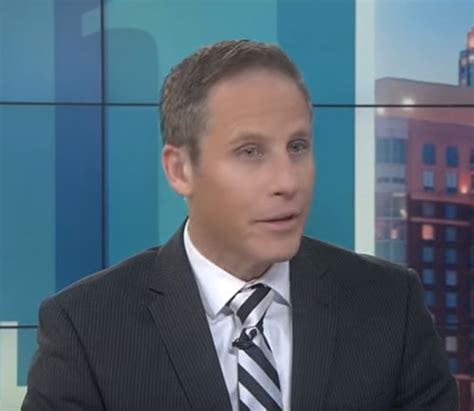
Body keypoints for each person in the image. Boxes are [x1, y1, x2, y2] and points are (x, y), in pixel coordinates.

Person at [22, 40, 458, 411]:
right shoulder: (85, 328)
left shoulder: (391, 305)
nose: (287, 182)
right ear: (180, 170)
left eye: (297, 146)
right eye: (250, 151)